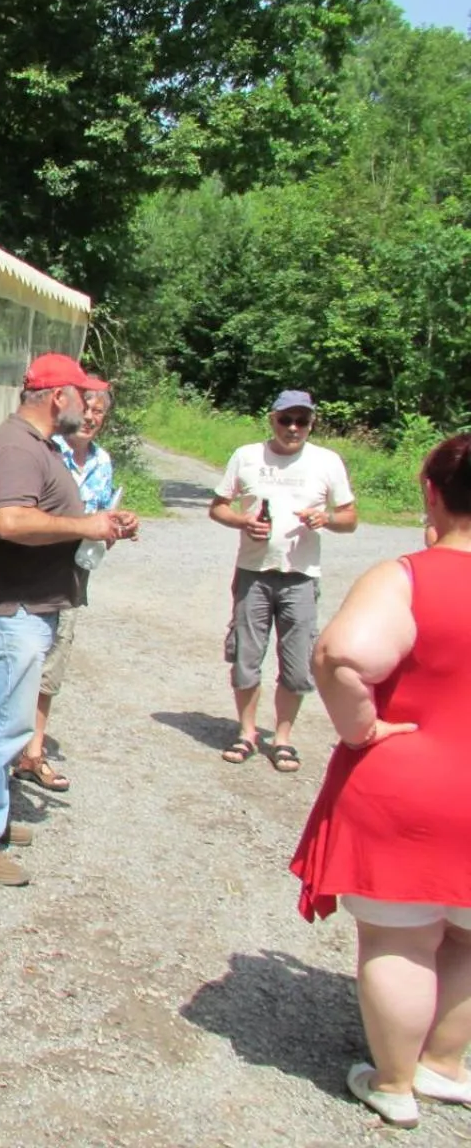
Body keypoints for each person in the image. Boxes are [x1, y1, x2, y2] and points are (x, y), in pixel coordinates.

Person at [289, 434, 471, 1129]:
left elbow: (340, 654)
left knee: (402, 940)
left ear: (431, 492)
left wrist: (361, 729)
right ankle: (446, 1065)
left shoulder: (410, 576)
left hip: (413, 784)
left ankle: (393, 1082)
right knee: (467, 937)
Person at [0, 355, 139, 886]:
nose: (89, 406)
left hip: (20, 607)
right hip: (8, 610)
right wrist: (87, 524)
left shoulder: (35, 447)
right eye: (83, 395)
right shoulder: (14, 448)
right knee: (5, 724)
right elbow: (10, 520)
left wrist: (99, 522)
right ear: (58, 398)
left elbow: (41, 513)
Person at [209, 390, 356, 774]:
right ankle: (246, 733)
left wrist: (328, 521)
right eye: (286, 420)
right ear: (272, 419)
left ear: (312, 423)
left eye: (301, 421)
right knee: (246, 656)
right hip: (253, 573)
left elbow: (350, 518)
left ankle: (284, 738)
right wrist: (243, 521)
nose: (293, 428)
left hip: (301, 577)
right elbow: (218, 507)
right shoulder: (247, 456)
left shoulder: (327, 461)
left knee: (296, 666)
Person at [15, 384, 118, 792]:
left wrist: (114, 526)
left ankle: (33, 754)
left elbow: (102, 510)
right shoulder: (45, 451)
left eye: (99, 413)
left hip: (74, 572)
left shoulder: (102, 461)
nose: (91, 418)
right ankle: (2, 753)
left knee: (52, 665)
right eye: (86, 408)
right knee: (18, 659)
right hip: (31, 571)